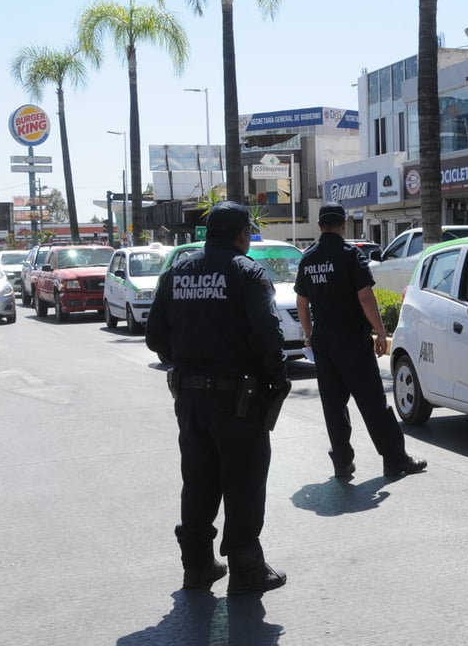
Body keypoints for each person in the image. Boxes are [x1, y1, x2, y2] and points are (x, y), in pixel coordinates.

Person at [146, 201, 289, 595]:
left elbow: (154, 337)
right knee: (243, 481)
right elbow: (269, 339)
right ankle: (245, 568)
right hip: (240, 399)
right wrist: (277, 379)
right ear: (243, 234)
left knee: (198, 479)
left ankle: (197, 566)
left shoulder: (177, 272)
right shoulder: (248, 273)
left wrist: (190, 362)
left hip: (190, 398)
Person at [295, 201, 427, 480]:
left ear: (320, 226)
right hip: (352, 341)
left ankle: (342, 462)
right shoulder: (349, 256)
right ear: (343, 224)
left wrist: (309, 337)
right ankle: (394, 458)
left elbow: (302, 303)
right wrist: (380, 331)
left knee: (333, 405)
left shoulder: (308, 259)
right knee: (373, 403)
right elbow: (365, 297)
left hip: (324, 343)